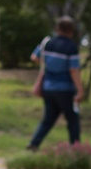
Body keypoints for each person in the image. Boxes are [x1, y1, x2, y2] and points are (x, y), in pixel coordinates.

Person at [27, 16, 84, 150]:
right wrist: (80, 90)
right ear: (72, 30)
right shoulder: (71, 47)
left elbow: (34, 57)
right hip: (65, 89)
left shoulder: (47, 43)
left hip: (48, 87)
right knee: (73, 120)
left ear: (57, 28)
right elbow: (73, 70)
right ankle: (76, 149)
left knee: (48, 119)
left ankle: (34, 144)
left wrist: (47, 65)